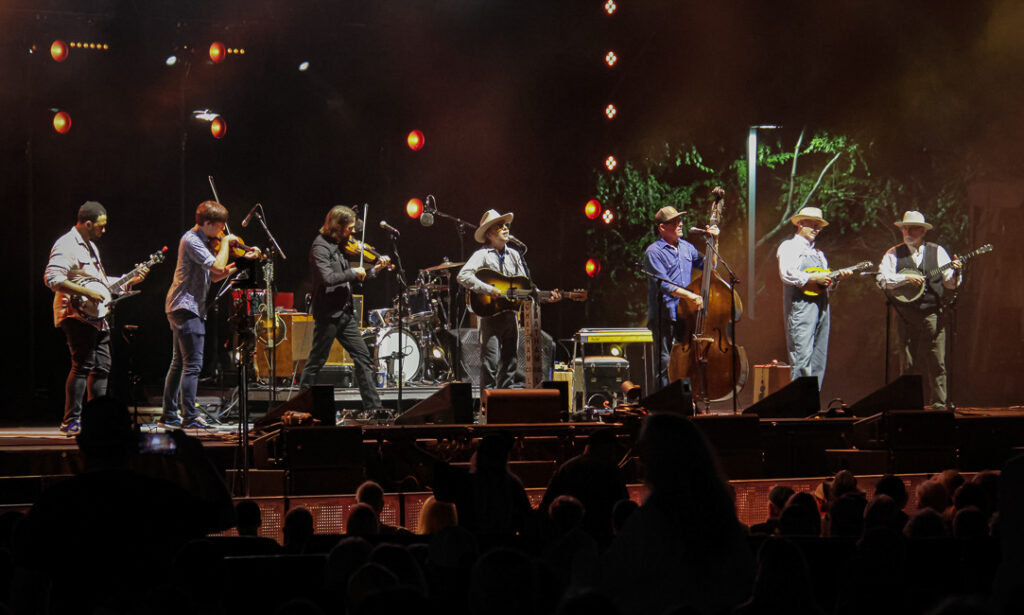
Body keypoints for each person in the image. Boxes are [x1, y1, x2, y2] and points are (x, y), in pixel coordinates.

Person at [44, 201, 148, 435]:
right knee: (82, 365)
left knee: (102, 366)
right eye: (101, 226)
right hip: (75, 314)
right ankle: (71, 420)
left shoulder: (91, 247)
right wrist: (86, 292)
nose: (104, 230)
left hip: (97, 316)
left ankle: (95, 420)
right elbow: (52, 278)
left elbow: (99, 284)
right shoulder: (67, 245)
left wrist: (129, 280)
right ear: (88, 223)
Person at [161, 200, 261, 429]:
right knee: (192, 365)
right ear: (207, 223)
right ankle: (189, 416)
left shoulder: (204, 240)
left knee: (178, 363)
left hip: (183, 306)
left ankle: (169, 414)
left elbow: (216, 276)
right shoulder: (191, 240)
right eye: (220, 226)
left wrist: (244, 260)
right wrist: (226, 242)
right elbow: (217, 268)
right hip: (186, 307)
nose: (223, 231)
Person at [297, 206, 390, 413]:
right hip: (328, 314)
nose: (352, 232)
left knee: (362, 356)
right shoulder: (320, 248)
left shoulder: (338, 245)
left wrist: (374, 269)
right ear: (337, 226)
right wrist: (353, 272)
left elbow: (351, 281)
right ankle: (301, 405)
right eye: (348, 228)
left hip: (345, 314)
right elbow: (328, 279)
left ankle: (374, 409)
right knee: (316, 361)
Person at [457, 209, 559, 389]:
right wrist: (489, 289)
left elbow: (524, 288)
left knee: (510, 361)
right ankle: (486, 406)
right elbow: (463, 276)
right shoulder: (482, 255)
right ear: (489, 233)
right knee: (490, 362)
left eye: (506, 225)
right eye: (500, 226)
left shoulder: (515, 254)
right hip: (490, 316)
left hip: (511, 315)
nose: (505, 228)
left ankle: (504, 401)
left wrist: (544, 297)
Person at [876, 211, 962, 409]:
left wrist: (956, 271)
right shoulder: (893, 253)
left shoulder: (937, 252)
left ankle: (939, 405)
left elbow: (950, 284)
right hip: (906, 314)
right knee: (907, 363)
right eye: (905, 228)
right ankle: (907, 406)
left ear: (922, 231)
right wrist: (905, 278)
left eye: (913, 228)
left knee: (937, 361)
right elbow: (882, 279)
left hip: (932, 312)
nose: (908, 231)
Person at [643, 205, 718, 389]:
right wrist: (691, 296)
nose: (680, 224)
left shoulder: (687, 248)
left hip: (685, 315)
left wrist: (714, 241)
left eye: (680, 220)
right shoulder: (654, 252)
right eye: (674, 222)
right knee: (665, 362)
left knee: (686, 361)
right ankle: (664, 405)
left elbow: (711, 266)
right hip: (664, 315)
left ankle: (687, 400)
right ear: (662, 228)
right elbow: (665, 285)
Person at [776, 206, 851, 388]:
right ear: (801, 224)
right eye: (813, 225)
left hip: (822, 305)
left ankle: (812, 404)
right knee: (802, 356)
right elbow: (787, 274)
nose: (816, 230)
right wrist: (812, 277)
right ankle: (798, 406)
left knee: (819, 356)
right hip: (800, 307)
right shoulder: (790, 247)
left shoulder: (819, 254)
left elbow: (824, 285)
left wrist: (835, 278)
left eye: (819, 227)